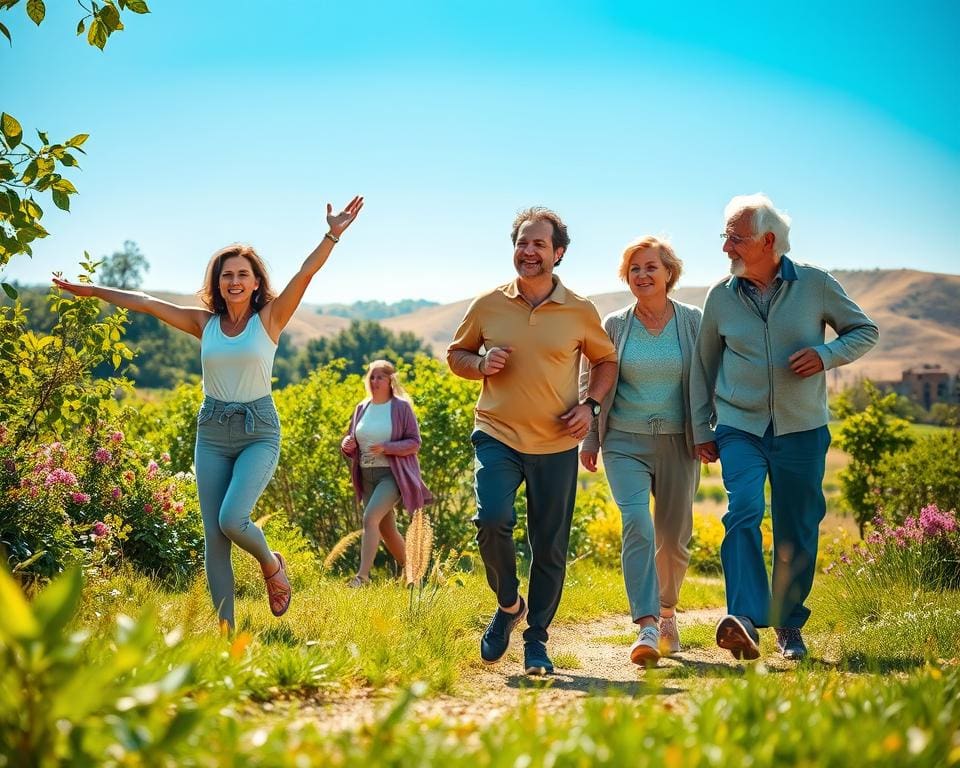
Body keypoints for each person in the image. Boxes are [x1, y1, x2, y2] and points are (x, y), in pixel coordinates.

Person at [53, 195, 365, 632]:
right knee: (214, 539)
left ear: (256, 282)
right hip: (212, 430)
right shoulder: (204, 324)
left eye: (243, 274)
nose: (234, 281)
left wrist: (332, 233)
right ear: (217, 283)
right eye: (227, 275)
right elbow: (144, 301)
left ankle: (271, 563)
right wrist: (91, 291)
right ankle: (225, 634)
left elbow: (305, 272)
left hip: (259, 430)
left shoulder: (271, 319)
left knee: (232, 519)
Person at [690, 193, 878, 661]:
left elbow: (863, 330)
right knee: (744, 510)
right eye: (725, 237)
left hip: (802, 428)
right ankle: (746, 620)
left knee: (797, 526)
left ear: (767, 240)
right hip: (739, 426)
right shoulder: (720, 296)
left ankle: (789, 623)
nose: (726, 248)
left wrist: (826, 355)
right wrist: (700, 427)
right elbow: (703, 366)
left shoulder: (815, 284)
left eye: (735, 238)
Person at [446, 206, 618, 676]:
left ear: (558, 254)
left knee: (550, 547)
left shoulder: (580, 310)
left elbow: (606, 362)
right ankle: (507, 605)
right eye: (522, 242)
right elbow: (456, 354)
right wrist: (480, 364)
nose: (528, 252)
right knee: (492, 519)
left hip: (557, 443)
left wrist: (591, 408)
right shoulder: (488, 304)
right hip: (497, 434)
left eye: (539, 244)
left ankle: (537, 639)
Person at [580, 236, 706, 666]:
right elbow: (593, 376)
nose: (642, 275)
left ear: (669, 273)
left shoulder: (692, 321)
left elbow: (709, 376)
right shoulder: (615, 324)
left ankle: (669, 612)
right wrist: (591, 436)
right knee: (637, 522)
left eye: (651, 267)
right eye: (634, 268)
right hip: (624, 440)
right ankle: (648, 625)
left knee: (673, 540)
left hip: (678, 440)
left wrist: (709, 430)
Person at [340, 360, 432, 587]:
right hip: (366, 475)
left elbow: (414, 443)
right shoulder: (362, 408)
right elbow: (352, 442)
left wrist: (387, 447)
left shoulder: (401, 407)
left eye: (380, 377)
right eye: (372, 377)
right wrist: (347, 445)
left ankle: (362, 577)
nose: (375, 381)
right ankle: (414, 575)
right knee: (386, 529)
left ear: (391, 380)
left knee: (370, 518)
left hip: (391, 475)